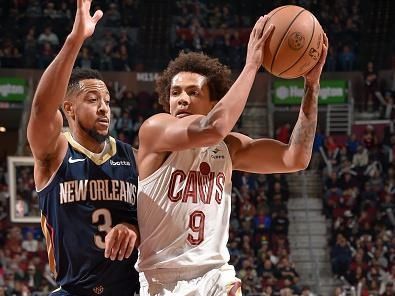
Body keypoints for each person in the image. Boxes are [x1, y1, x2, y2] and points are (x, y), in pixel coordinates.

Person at [136, 14, 328, 295]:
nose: (182, 99)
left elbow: (295, 158)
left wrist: (311, 87)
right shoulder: (155, 130)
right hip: (161, 280)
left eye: (193, 92)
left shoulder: (228, 146)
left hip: (216, 276)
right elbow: (213, 127)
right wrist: (252, 64)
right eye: (175, 92)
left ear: (215, 102)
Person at [27, 1, 139, 295]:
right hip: (72, 290)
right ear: (69, 109)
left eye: (107, 101)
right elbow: (40, 109)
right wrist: (75, 40)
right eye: (92, 100)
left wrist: (134, 230)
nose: (104, 109)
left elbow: (154, 223)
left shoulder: (133, 157)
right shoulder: (54, 152)